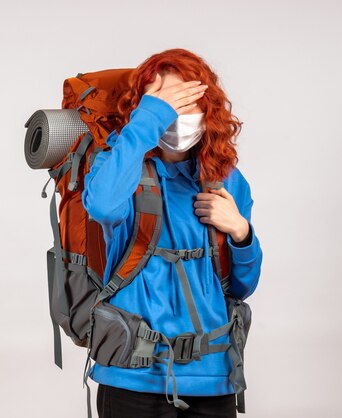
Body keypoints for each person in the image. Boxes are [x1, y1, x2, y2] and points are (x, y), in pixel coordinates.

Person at [81, 48, 263, 418]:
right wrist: (148, 120)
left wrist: (241, 232)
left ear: (206, 106)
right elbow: (101, 205)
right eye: (163, 100)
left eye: (184, 99)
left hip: (213, 376)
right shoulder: (119, 166)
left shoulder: (225, 180)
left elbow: (241, 287)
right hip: (133, 375)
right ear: (144, 108)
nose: (173, 113)